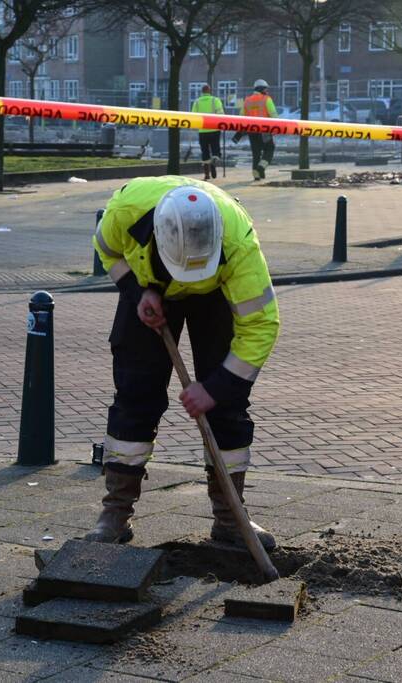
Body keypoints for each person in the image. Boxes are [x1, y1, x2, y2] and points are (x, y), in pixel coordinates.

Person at [86, 176, 280, 551]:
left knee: (227, 410)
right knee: (135, 397)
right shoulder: (125, 212)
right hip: (151, 288)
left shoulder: (238, 243)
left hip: (217, 294)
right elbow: (107, 249)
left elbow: (261, 325)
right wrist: (137, 290)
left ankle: (231, 518)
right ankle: (115, 514)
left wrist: (217, 388)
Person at [240, 79, 277, 181]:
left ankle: (256, 174)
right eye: (265, 89)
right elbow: (273, 115)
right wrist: (276, 128)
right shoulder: (266, 99)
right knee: (269, 149)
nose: (266, 91)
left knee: (256, 152)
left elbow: (241, 116)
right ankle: (261, 167)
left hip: (252, 131)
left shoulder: (247, 100)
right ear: (261, 89)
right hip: (265, 131)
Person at [191, 85, 224, 180]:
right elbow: (221, 114)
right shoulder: (215, 100)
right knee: (215, 149)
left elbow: (193, 116)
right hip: (214, 130)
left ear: (202, 92)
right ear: (210, 91)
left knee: (204, 151)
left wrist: (194, 127)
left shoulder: (197, 102)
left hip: (203, 131)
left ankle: (206, 174)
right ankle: (214, 162)